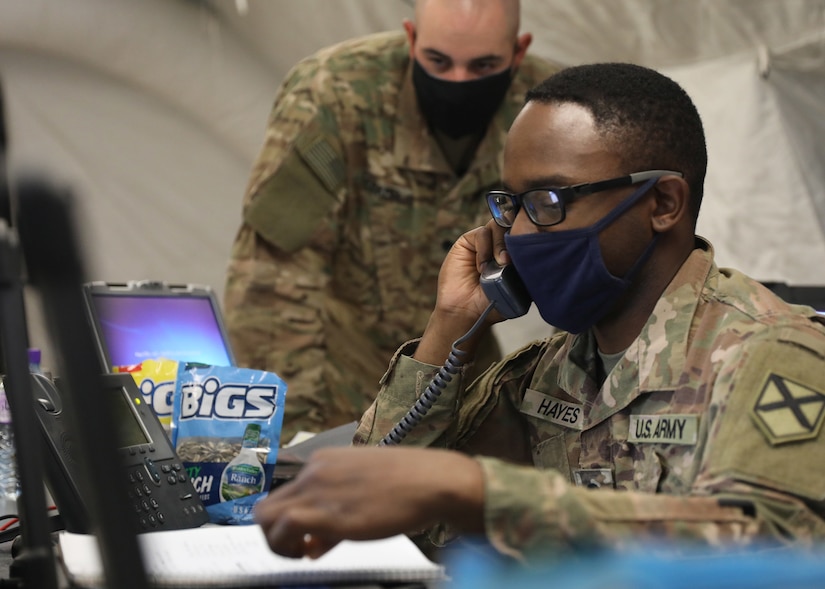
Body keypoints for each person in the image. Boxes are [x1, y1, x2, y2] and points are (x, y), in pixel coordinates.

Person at [253, 62, 825, 561]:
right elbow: (387, 509)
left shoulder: (771, 354)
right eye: (512, 203)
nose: (519, 231)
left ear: (662, 203)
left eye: (549, 201)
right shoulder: (549, 372)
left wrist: (481, 493)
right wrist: (450, 326)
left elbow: (770, 544)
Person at [223, 0, 561, 442]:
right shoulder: (337, 93)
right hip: (338, 377)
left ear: (518, 53)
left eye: (483, 65)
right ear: (411, 39)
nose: (458, 81)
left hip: (461, 369)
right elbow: (273, 274)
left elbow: (578, 260)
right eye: (438, 61)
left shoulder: (550, 112)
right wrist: (287, 432)